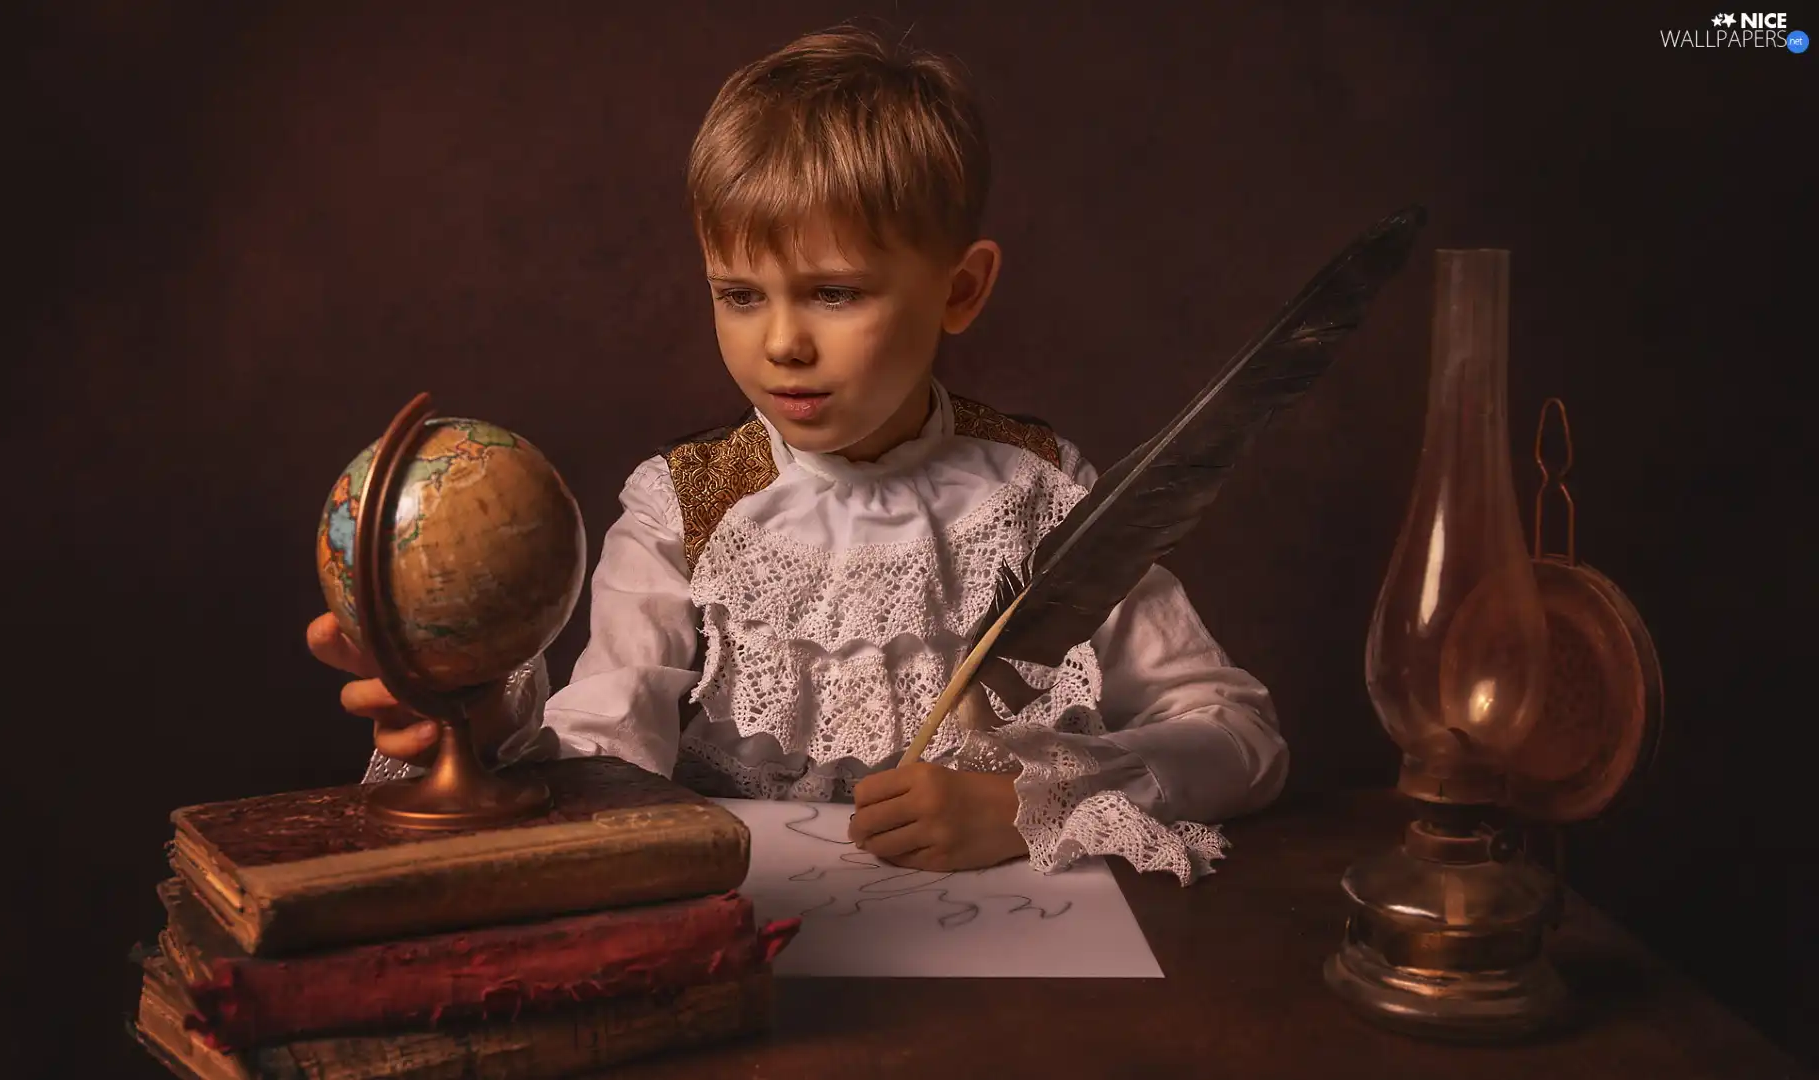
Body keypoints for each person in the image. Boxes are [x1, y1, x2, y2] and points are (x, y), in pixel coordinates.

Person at [307, 25, 1287, 882]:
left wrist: (1030, 804)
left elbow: (1241, 739)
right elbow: (608, 751)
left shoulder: (1041, 490)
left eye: (833, 293)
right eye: (740, 294)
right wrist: (478, 741)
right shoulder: (678, 507)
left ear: (961, 288)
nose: (781, 343)